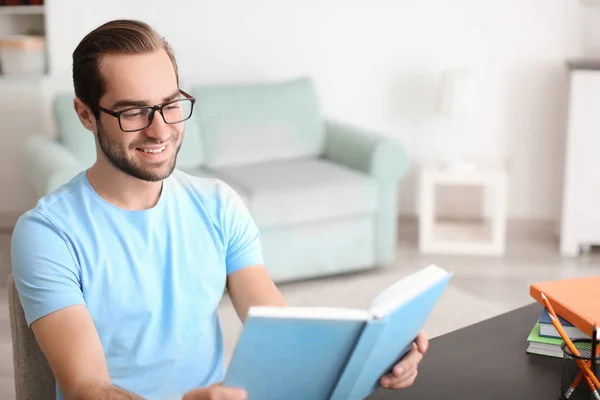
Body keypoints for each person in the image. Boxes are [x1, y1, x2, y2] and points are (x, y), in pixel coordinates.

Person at [10, 19, 428, 400]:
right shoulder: (48, 233)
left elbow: (280, 333)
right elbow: (87, 388)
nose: (160, 129)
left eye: (170, 104)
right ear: (86, 115)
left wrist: (376, 357)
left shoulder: (217, 205)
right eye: (133, 111)